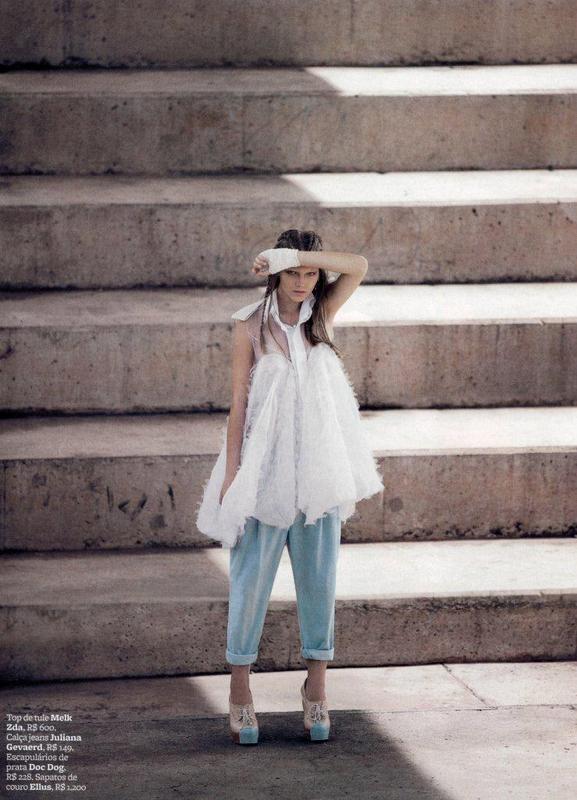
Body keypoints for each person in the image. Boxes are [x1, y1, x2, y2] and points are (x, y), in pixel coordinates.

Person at [195, 228, 384, 744]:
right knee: (250, 580)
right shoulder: (249, 325)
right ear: (276, 274)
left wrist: (295, 255)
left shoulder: (321, 314)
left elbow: (358, 264)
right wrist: (232, 476)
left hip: (318, 473)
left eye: (310, 273)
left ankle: (316, 689)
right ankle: (240, 692)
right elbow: (239, 405)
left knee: (320, 580)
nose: (302, 282)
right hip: (266, 473)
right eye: (293, 273)